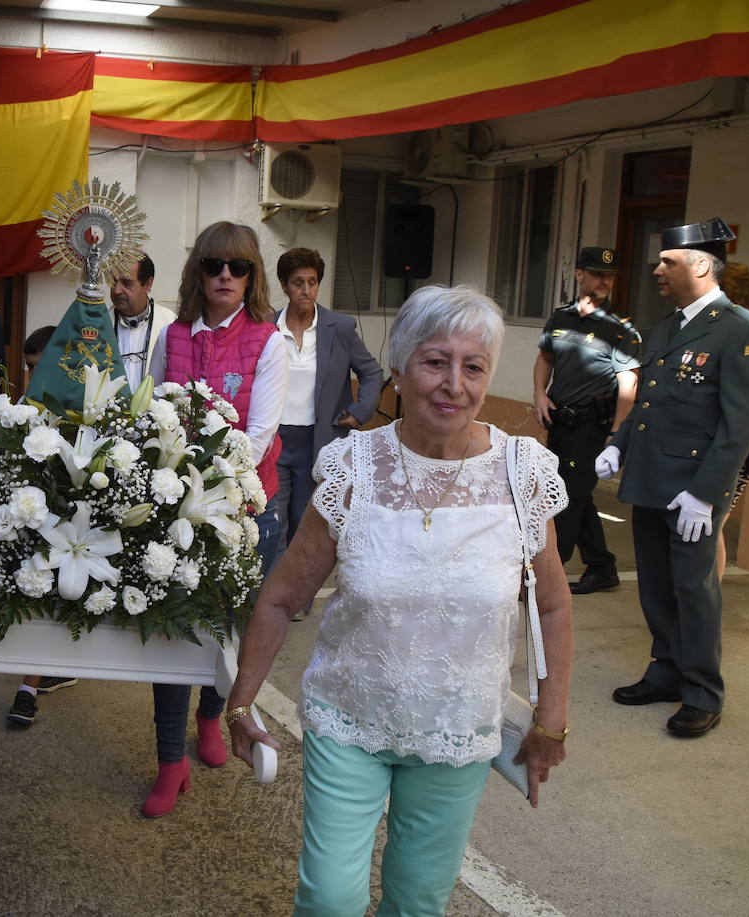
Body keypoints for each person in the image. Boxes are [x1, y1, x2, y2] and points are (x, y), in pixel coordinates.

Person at [227, 285, 573, 917]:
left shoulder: (523, 472)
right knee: (330, 900)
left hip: (458, 729)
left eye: (473, 367)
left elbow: (550, 605)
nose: (454, 384)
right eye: (434, 361)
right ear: (400, 366)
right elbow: (281, 598)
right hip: (350, 720)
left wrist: (551, 720)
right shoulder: (355, 466)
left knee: (418, 903)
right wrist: (242, 699)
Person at [598, 218, 749, 738]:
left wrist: (705, 495)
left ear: (700, 264)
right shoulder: (669, 326)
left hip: (694, 486)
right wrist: (617, 444)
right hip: (651, 476)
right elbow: (649, 400)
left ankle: (701, 691)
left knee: (694, 589)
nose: (657, 269)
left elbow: (738, 424)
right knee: (654, 583)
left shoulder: (742, 329)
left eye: (667, 261)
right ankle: (665, 671)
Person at [141, 221, 288, 817]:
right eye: (213, 265)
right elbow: (148, 414)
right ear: (197, 271)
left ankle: (211, 717)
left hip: (246, 510)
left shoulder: (268, 341)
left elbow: (259, 438)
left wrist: (204, 480)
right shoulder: (170, 336)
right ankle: (169, 762)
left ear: (252, 275)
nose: (225, 276)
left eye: (238, 266)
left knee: (227, 627)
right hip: (177, 512)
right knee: (175, 630)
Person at [269, 248, 383, 590]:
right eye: (298, 283)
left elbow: (372, 373)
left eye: (313, 282)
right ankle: (271, 595)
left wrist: (360, 410)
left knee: (307, 523)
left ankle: (298, 597)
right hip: (273, 441)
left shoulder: (340, 328)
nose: (306, 290)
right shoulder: (266, 327)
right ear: (284, 286)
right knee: (273, 522)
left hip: (319, 443)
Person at [531, 246, 641, 594]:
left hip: (594, 426)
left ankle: (549, 578)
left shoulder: (620, 329)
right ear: (580, 275)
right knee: (578, 493)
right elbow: (545, 358)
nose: (606, 280)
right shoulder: (560, 318)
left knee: (566, 497)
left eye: (610, 275)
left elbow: (629, 382)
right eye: (598, 273)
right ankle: (602, 566)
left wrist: (616, 433)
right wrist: (539, 393)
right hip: (561, 422)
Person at [715, 261, 749, 579]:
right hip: (713, 443)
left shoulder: (747, 334)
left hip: (730, 447)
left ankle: (706, 595)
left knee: (711, 529)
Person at [107, 252, 175, 391]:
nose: (117, 290)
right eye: (113, 281)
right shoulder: (100, 324)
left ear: (148, 284)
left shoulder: (170, 323)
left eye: (126, 283)